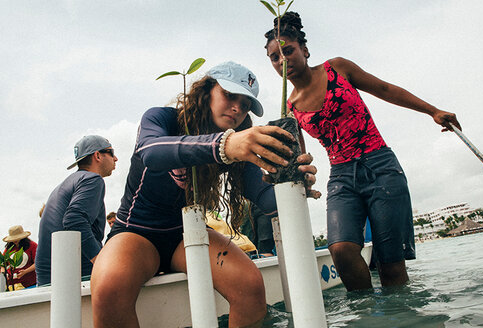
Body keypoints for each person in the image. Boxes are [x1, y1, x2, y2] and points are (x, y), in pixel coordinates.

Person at [90, 61, 320, 328]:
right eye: (229, 95)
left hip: (188, 235)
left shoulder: (238, 143)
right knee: (108, 287)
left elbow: (266, 199)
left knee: (249, 285)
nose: (237, 108)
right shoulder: (161, 118)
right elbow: (150, 152)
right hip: (136, 233)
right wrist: (224, 145)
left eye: (245, 104)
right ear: (207, 90)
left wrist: (293, 183)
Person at [264, 12, 461, 291]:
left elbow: (385, 89)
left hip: (381, 165)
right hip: (342, 178)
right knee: (341, 250)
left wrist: (433, 111)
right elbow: (302, 160)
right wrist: (300, 181)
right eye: (275, 57)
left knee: (391, 267)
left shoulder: (337, 68)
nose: (283, 61)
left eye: (288, 51)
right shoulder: (290, 109)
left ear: (304, 50)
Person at [35, 135, 118, 286]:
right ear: (97, 156)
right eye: (111, 152)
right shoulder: (92, 179)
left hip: (47, 281)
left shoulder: (64, 184)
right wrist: (101, 263)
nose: (116, 158)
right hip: (75, 280)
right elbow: (74, 220)